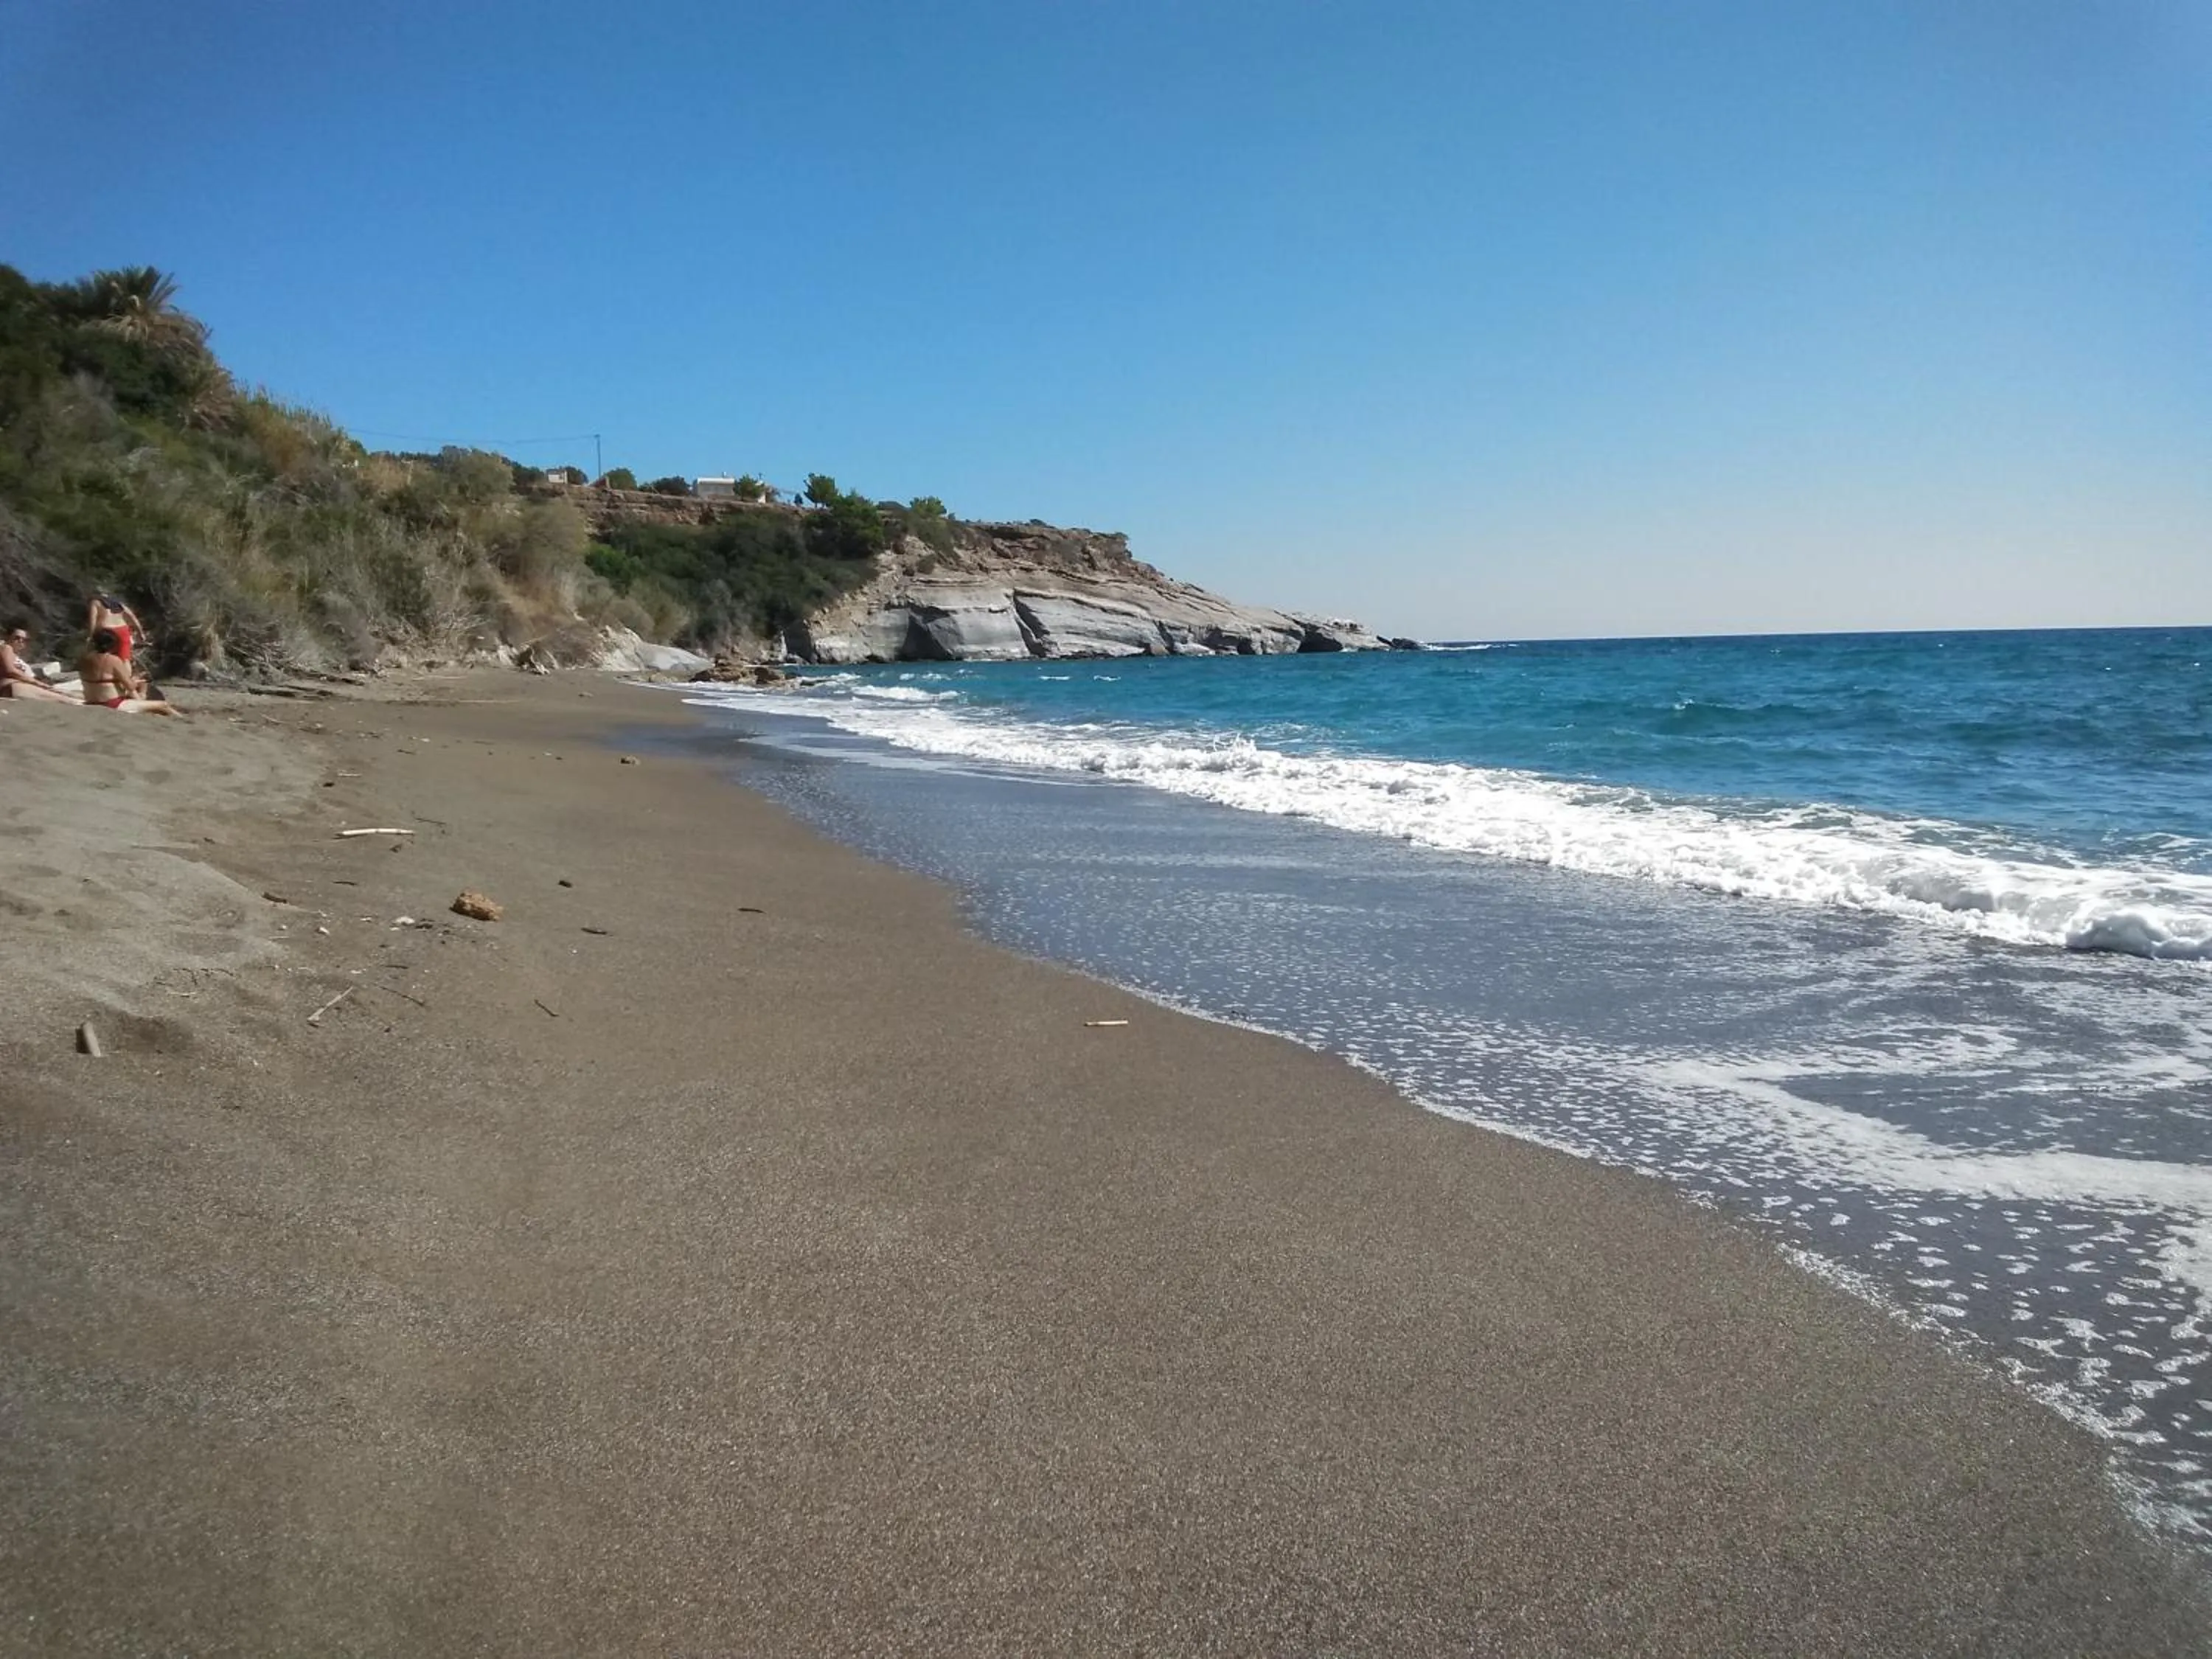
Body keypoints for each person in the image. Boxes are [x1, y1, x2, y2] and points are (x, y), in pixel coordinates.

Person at [79, 628, 178, 715]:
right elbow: (130, 686)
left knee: (150, 704)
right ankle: (183, 720)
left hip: (91, 700)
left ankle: (143, 702)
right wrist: (135, 680)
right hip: (111, 703)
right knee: (163, 705)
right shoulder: (113, 660)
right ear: (113, 644)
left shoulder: (84, 659)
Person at [0, 622, 76, 704]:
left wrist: (41, 683)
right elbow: (10, 670)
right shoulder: (6, 648)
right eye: (17, 638)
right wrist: (37, 683)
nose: (20, 641)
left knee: (67, 696)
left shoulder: (16, 657)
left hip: (20, 686)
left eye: (24, 640)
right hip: (12, 685)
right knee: (66, 700)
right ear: (8, 637)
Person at [87, 591, 146, 664]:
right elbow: (132, 617)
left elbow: (93, 621)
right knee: (124, 660)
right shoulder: (118, 603)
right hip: (122, 631)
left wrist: (90, 636)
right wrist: (141, 633)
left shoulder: (95, 602)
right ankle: (124, 674)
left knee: (104, 659)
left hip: (106, 633)